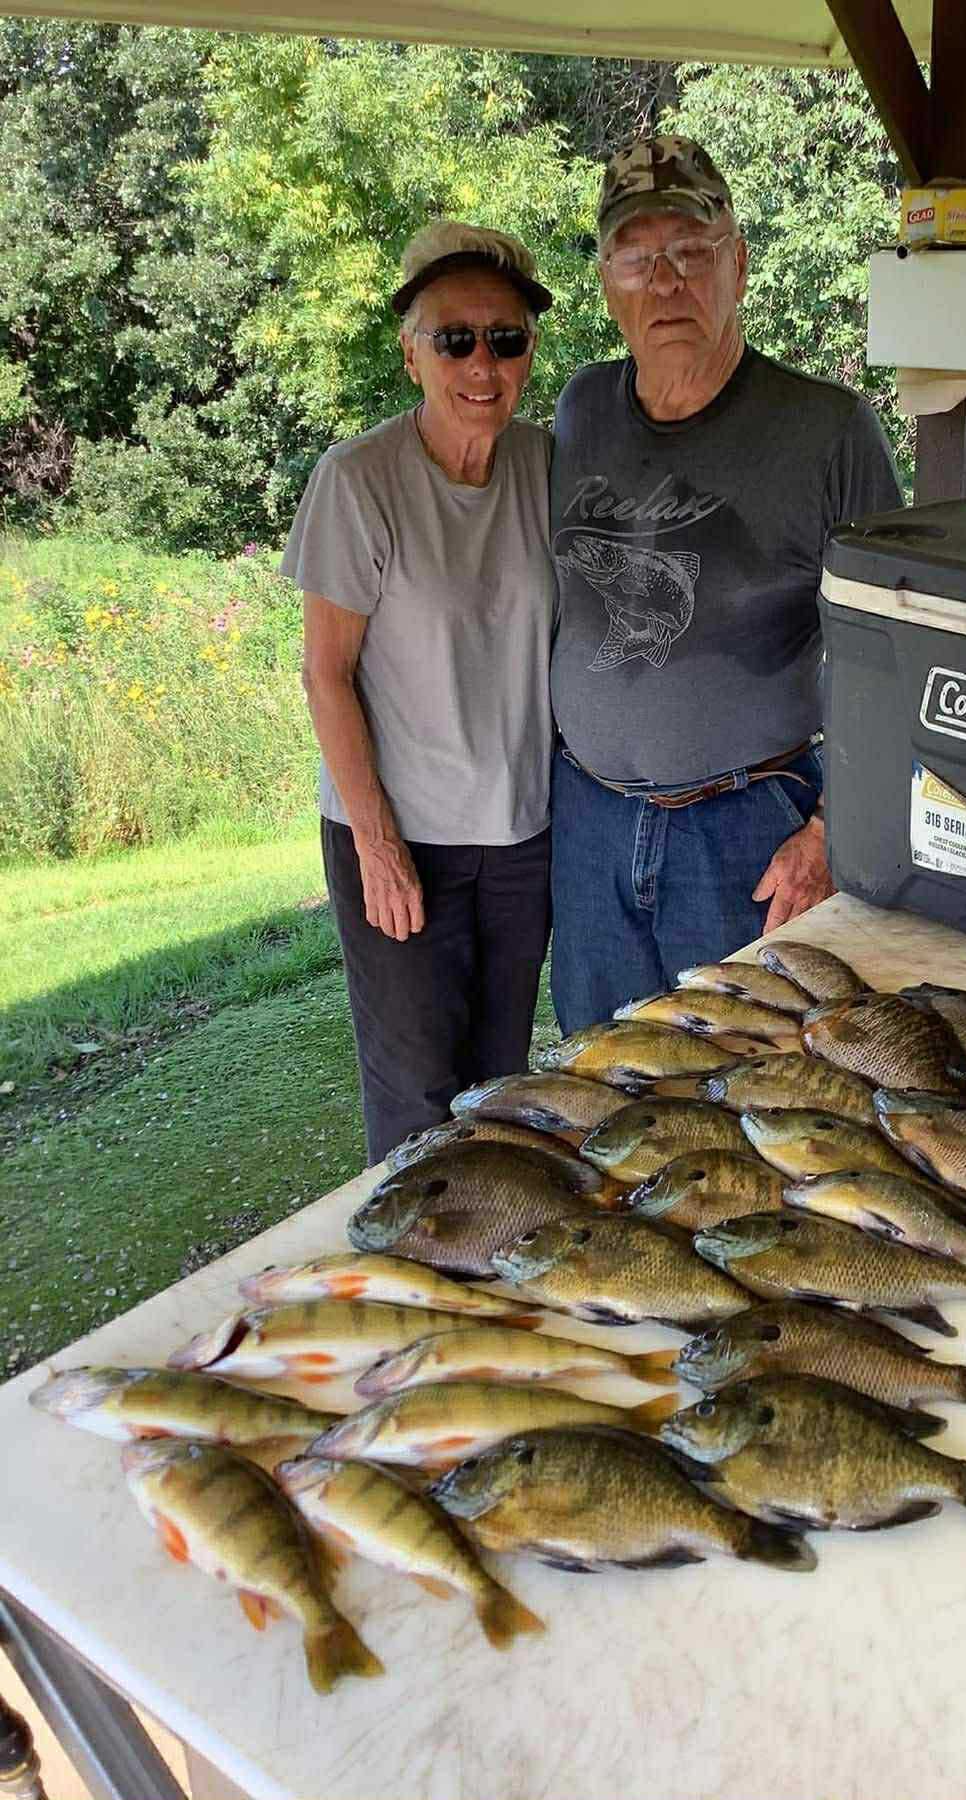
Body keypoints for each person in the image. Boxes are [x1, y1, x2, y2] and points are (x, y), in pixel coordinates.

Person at [548, 134, 902, 1034]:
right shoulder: (580, 409)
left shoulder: (828, 431)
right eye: (638, 259)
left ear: (738, 264)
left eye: (691, 254)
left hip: (746, 835)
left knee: (753, 1090)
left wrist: (833, 831)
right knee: (602, 1077)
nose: (665, 282)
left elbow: (897, 656)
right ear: (607, 283)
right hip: (588, 824)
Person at [282, 221, 556, 1166]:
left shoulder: (549, 466)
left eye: (506, 338)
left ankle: (490, 1273)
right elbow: (326, 674)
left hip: (520, 837)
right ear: (411, 354)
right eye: (455, 339)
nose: (482, 363)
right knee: (417, 1101)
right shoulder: (357, 481)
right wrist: (379, 847)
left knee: (502, 1088)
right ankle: (413, 1292)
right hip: (403, 840)